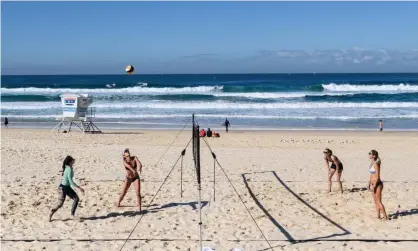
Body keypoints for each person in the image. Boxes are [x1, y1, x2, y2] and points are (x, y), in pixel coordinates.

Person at [49, 156, 85, 222]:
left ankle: (51, 213)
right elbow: (71, 181)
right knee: (76, 199)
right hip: (65, 188)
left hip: (62, 186)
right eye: (73, 160)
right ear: (70, 162)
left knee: (60, 204)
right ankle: (72, 215)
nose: (74, 161)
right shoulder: (69, 169)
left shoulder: (67, 167)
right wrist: (79, 188)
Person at [367, 150, 388, 220]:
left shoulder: (376, 164)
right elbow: (372, 174)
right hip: (373, 183)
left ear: (374, 155)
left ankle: (385, 217)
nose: (368, 154)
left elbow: (378, 176)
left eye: (370, 153)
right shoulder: (372, 162)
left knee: (378, 201)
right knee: (375, 201)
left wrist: (375, 185)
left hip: (377, 184)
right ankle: (378, 216)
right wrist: (369, 183)